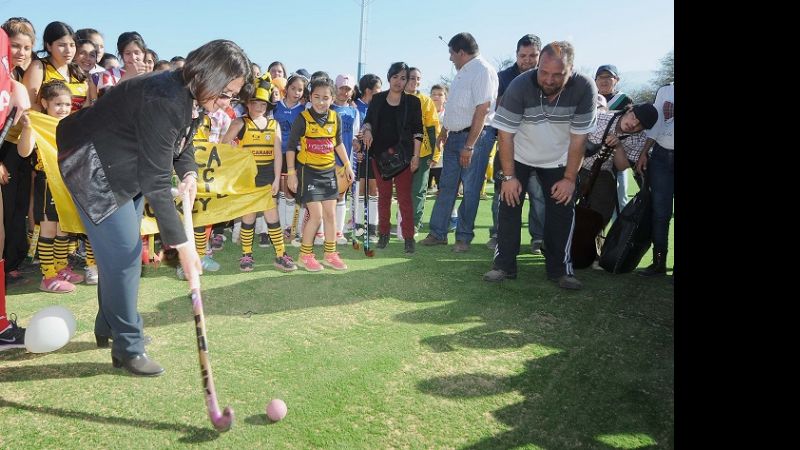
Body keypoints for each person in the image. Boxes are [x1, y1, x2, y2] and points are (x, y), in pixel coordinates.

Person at [55, 39, 251, 376]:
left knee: (118, 256)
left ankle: (108, 326)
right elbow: (156, 181)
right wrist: (184, 246)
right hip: (92, 166)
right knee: (125, 257)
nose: (225, 103)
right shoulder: (165, 98)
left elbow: (182, 143)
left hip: (123, 169)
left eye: (231, 96)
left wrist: (188, 173)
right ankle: (128, 347)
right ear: (208, 74)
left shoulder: (191, 93)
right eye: (224, 93)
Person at [483, 41, 597, 290]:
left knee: (562, 210)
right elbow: (505, 135)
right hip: (518, 156)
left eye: (558, 74)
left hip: (559, 159)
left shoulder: (584, 88)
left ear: (571, 69)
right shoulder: (520, 85)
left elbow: (579, 139)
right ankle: (504, 266)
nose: (548, 79)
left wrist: (569, 179)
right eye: (543, 72)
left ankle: (560, 270)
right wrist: (509, 176)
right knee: (509, 205)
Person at [421, 32, 498, 253]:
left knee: (471, 190)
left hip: (472, 139)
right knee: (446, 188)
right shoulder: (461, 73)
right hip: (454, 137)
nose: (450, 58)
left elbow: (482, 109)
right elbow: (456, 106)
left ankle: (463, 237)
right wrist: (445, 129)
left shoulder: (483, 70)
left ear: (461, 52)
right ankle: (438, 233)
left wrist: (469, 145)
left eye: (451, 53)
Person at [222, 74, 296, 272]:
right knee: (248, 216)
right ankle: (246, 254)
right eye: (255, 102)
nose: (259, 106)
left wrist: (275, 179)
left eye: (263, 103)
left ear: (268, 105)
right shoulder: (239, 123)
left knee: (272, 215)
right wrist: (235, 155)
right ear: (248, 103)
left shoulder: (274, 125)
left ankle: (280, 254)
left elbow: (277, 154)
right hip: (247, 176)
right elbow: (223, 145)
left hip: (267, 175)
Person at [576, 103, 658, 269]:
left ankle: (589, 251)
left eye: (640, 125)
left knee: (602, 210)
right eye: (634, 117)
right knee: (561, 201)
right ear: (629, 110)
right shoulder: (598, 118)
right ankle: (554, 246)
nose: (634, 124)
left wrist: (618, 146)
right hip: (573, 165)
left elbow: (622, 167)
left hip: (603, 172)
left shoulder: (640, 139)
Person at [285, 77, 355, 271]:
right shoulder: (303, 118)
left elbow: (338, 143)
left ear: (332, 98)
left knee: (331, 215)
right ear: (310, 97)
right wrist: (291, 173)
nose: (321, 102)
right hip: (309, 173)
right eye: (317, 97)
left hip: (329, 172)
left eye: (326, 97)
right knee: (315, 215)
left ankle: (330, 254)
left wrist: (348, 165)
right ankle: (305, 256)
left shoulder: (335, 117)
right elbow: (290, 147)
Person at [487, 34, 546, 254]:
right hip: (507, 145)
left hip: (539, 147)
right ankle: (498, 234)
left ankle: (538, 238)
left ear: (540, 55)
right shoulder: (502, 77)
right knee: (502, 192)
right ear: (516, 55)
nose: (527, 60)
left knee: (538, 195)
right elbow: (496, 108)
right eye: (523, 55)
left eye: (533, 56)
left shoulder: (548, 78)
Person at [360, 62, 423, 253]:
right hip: (380, 156)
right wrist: (367, 131)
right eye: (395, 77)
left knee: (405, 198)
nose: (398, 81)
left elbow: (418, 132)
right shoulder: (377, 99)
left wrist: (416, 156)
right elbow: (368, 122)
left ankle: (409, 238)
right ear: (389, 77)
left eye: (403, 78)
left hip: (403, 158)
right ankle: (384, 234)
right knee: (383, 197)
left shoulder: (413, 102)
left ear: (407, 81)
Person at [0, 26, 32, 351]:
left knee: (4, 235)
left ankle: (0, 326)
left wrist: (27, 125)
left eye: (26, 47)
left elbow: (24, 150)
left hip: (12, 164)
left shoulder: (19, 88)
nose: (20, 53)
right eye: (15, 46)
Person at [635, 81, 674, 277]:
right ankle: (659, 262)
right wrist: (644, 151)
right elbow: (657, 123)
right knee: (660, 213)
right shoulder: (665, 89)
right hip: (660, 156)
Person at [404, 67, 439, 237]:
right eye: (411, 78)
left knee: (418, 190)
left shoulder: (426, 101)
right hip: (400, 153)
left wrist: (435, 154)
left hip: (423, 153)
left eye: (418, 78)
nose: (415, 81)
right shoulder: (395, 98)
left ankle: (414, 224)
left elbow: (433, 129)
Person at [595, 64, 634, 215]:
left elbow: (632, 128)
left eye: (608, 77)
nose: (604, 81)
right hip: (590, 156)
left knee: (620, 198)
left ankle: (618, 236)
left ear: (616, 79)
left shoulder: (624, 99)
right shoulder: (590, 97)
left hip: (615, 157)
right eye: (600, 77)